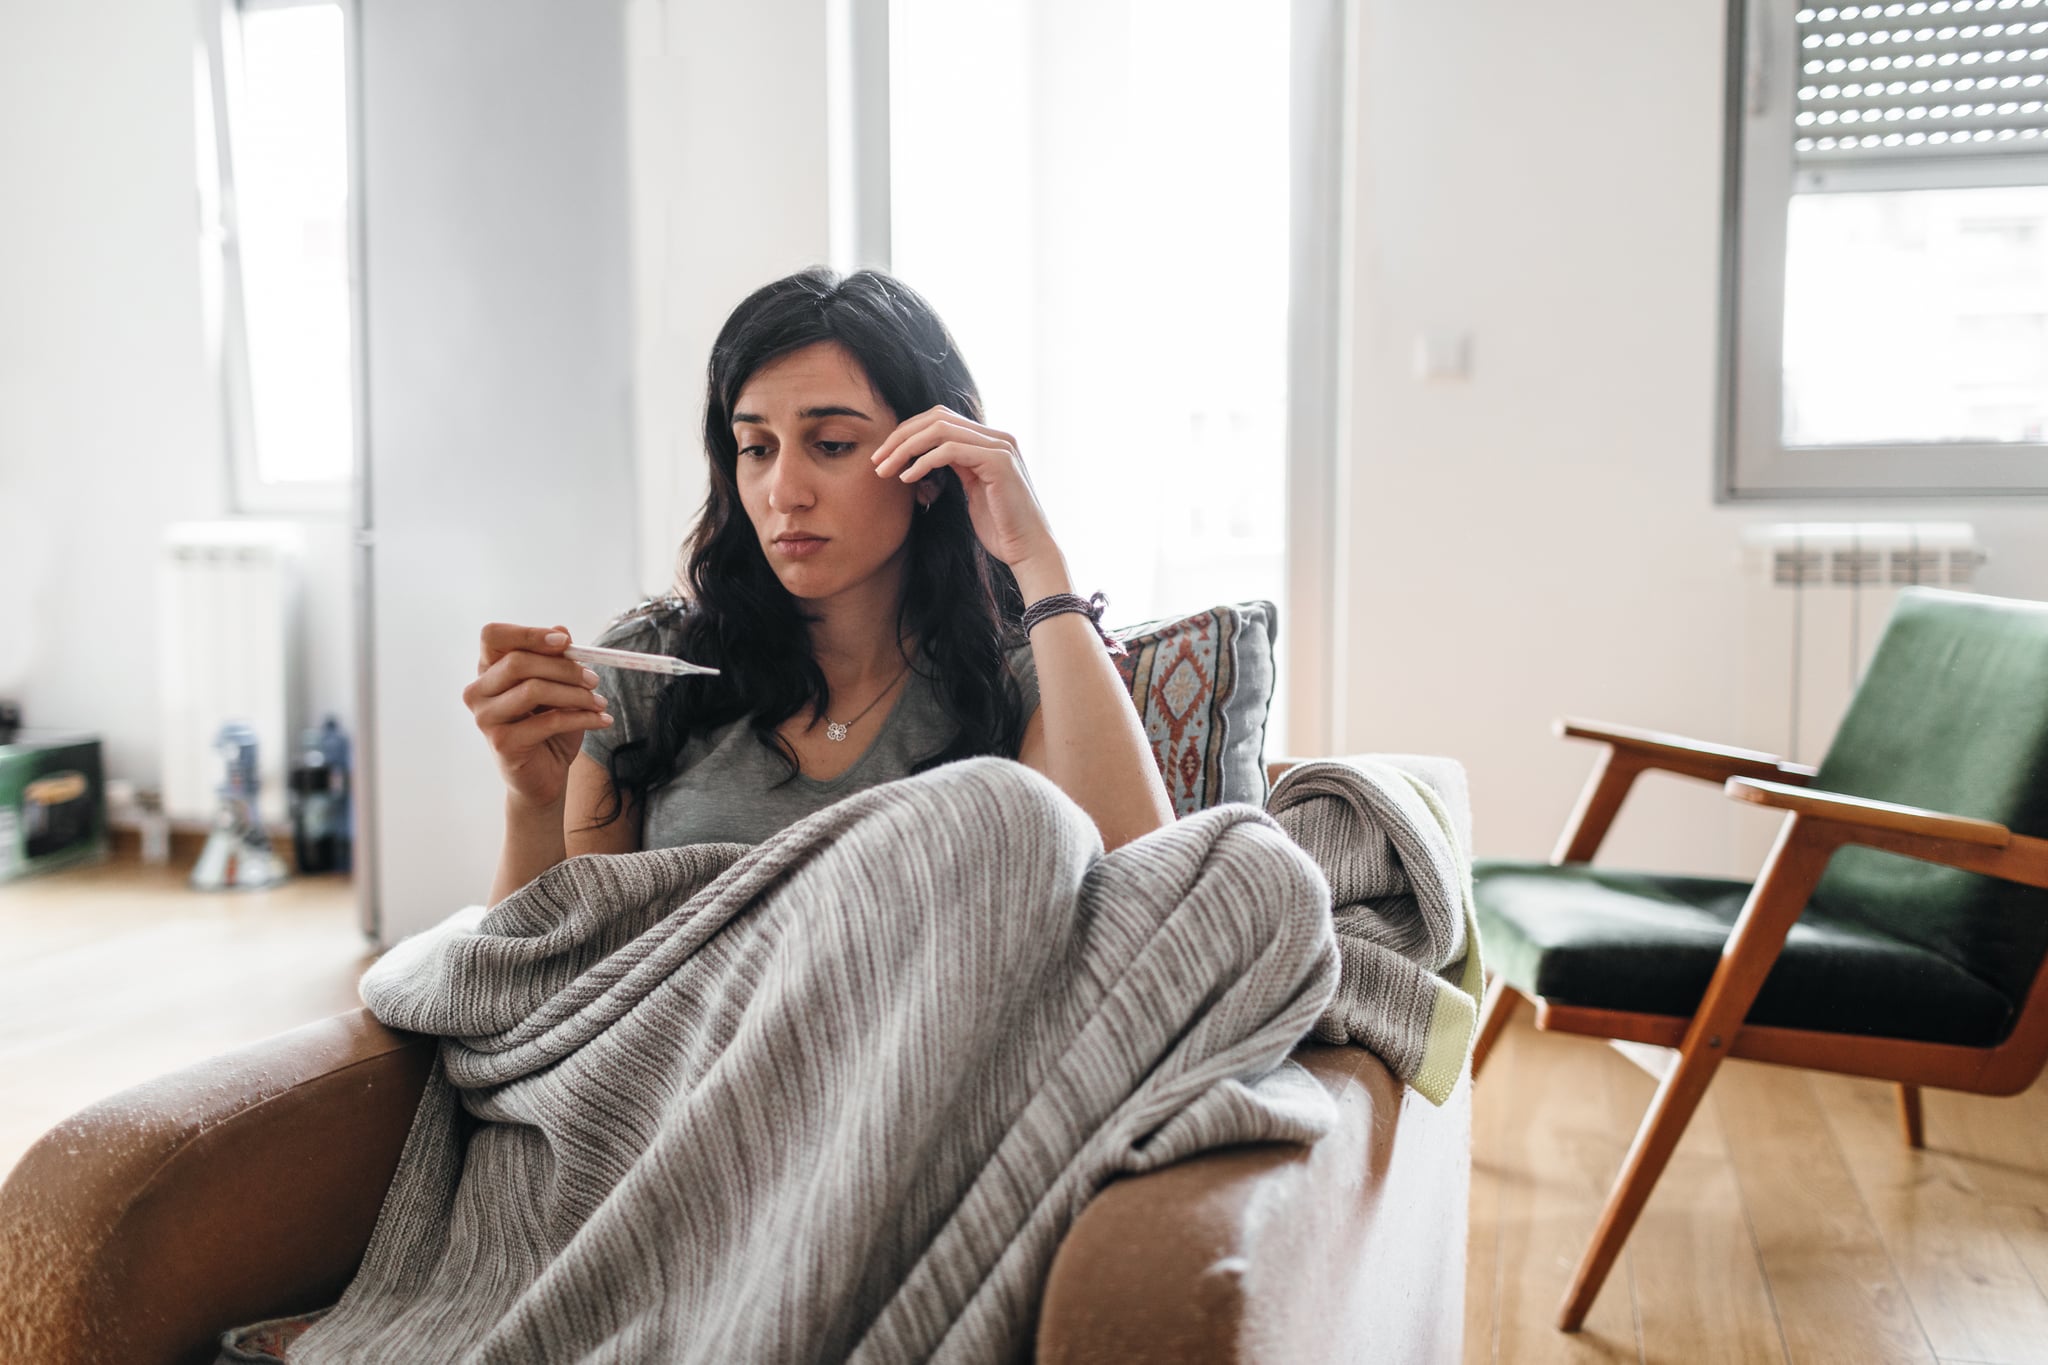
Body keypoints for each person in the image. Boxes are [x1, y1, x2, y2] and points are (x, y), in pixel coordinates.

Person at [462, 268, 1174, 906]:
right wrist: (535, 800)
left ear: (929, 469)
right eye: (756, 449)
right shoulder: (646, 671)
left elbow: (1144, 899)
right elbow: (542, 976)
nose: (784, 492)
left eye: (831, 444)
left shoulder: (1021, 675)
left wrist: (1037, 557)